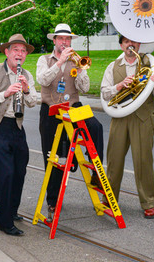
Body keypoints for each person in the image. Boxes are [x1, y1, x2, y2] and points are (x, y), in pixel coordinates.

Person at [36, 23, 104, 216]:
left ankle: (96, 172)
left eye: (68, 39)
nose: (65, 42)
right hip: (50, 110)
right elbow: (42, 80)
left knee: (96, 127)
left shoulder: (76, 60)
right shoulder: (44, 59)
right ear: (54, 41)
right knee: (53, 156)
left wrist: (81, 70)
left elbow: (84, 88)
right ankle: (53, 201)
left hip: (72, 107)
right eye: (61, 39)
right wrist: (59, 63)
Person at [100, 35, 154, 219]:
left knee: (143, 161)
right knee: (114, 160)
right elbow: (105, 93)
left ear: (139, 44)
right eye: (127, 41)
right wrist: (119, 86)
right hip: (120, 117)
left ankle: (148, 202)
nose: (131, 45)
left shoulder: (149, 63)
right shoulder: (113, 66)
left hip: (142, 118)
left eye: (134, 42)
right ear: (121, 45)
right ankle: (109, 198)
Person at [0, 34, 37, 236]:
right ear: (7, 52)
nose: (19, 54)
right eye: (16, 50)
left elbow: (33, 102)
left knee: (19, 170)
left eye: (23, 51)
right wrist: (6, 93)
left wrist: (27, 89)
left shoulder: (26, 74)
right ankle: (4, 222)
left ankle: (12, 211)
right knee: (5, 174)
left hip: (16, 126)